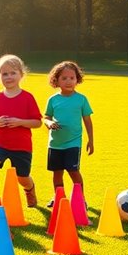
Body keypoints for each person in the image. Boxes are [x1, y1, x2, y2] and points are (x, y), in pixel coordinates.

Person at [0, 54, 42, 206]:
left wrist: (20, 122)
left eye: (13, 73)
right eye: (5, 74)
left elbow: (37, 122)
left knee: (22, 178)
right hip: (0, 143)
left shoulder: (28, 98)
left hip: (22, 145)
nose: (9, 77)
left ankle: (30, 189)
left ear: (21, 74)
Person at [42, 61, 94, 206]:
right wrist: (49, 123)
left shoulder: (81, 99)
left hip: (73, 143)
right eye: (64, 78)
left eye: (72, 78)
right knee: (57, 173)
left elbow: (88, 121)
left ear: (77, 79)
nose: (68, 81)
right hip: (55, 144)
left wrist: (91, 140)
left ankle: (80, 199)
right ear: (56, 80)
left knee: (74, 171)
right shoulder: (53, 100)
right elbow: (46, 117)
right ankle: (58, 197)